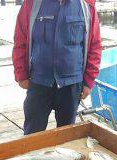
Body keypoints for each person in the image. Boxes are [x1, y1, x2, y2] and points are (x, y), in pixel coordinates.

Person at [13, 0, 101, 135]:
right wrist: (21, 74)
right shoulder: (32, 3)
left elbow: (95, 46)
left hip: (71, 85)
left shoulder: (86, 6)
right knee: (32, 134)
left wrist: (89, 81)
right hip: (39, 81)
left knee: (66, 136)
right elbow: (20, 39)